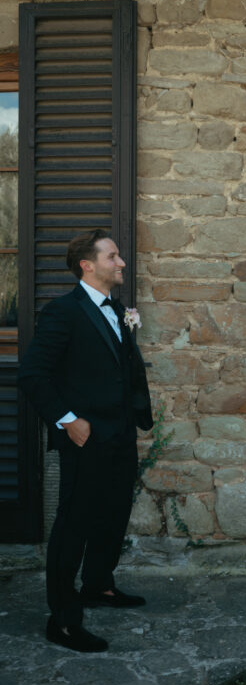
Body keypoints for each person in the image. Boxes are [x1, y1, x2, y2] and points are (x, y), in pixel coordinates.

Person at [19, 229, 152, 652]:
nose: (122, 263)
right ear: (87, 265)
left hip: (120, 434)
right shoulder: (64, 312)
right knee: (74, 525)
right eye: (113, 257)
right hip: (84, 438)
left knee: (113, 515)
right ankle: (62, 620)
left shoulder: (116, 309)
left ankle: (98, 585)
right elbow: (33, 375)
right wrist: (67, 420)